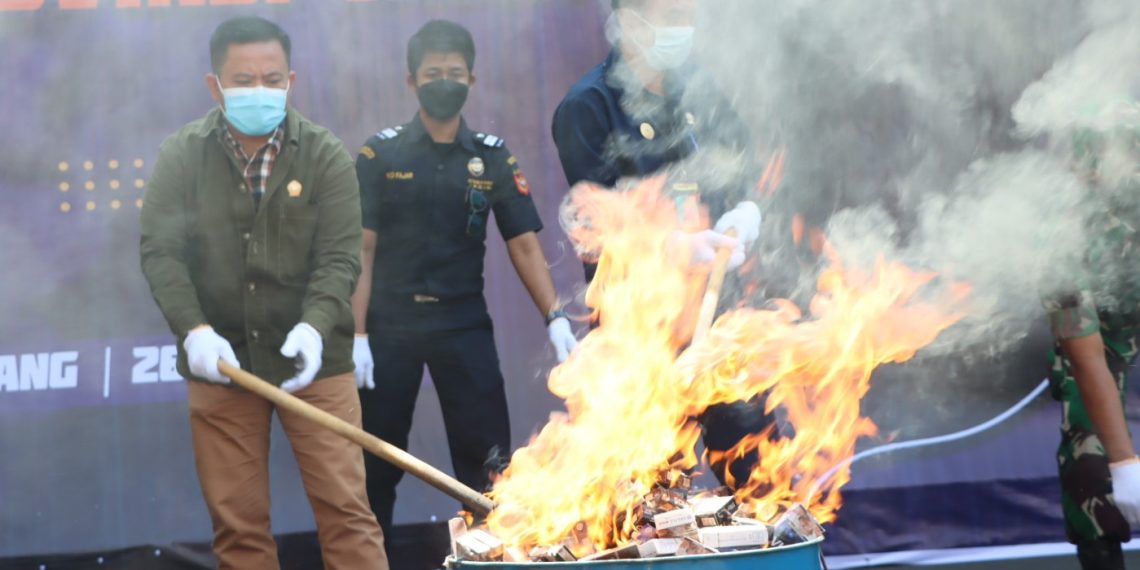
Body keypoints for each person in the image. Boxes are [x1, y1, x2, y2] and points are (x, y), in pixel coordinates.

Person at [139, 16, 387, 570]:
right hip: (222, 365)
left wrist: (315, 327)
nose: (259, 90)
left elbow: (342, 257)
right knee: (239, 526)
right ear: (215, 86)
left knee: (347, 513)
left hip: (316, 363)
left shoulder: (325, 156)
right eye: (244, 79)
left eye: (271, 78)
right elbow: (161, 253)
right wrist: (194, 330)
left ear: (291, 80)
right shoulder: (181, 155)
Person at [351, 19, 578, 541]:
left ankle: (488, 555)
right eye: (433, 72)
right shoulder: (379, 154)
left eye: (455, 72)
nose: (444, 81)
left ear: (471, 79)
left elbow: (522, 242)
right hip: (388, 330)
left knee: (487, 468)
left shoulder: (492, 155)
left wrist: (556, 317)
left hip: (462, 323)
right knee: (372, 468)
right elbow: (361, 250)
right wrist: (357, 335)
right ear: (412, 80)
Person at [551, 0, 769, 487]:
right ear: (630, 20)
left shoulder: (697, 86)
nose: (683, 28)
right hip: (639, 328)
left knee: (760, 470)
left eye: (688, 15)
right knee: (650, 493)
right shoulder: (588, 104)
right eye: (671, 15)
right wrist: (672, 247)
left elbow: (741, 159)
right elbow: (593, 215)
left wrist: (745, 209)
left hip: (716, 319)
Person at [1045, 128, 1140, 570]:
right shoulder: (1057, 234)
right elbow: (1086, 357)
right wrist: (1123, 465)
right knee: (1090, 454)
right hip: (1109, 327)